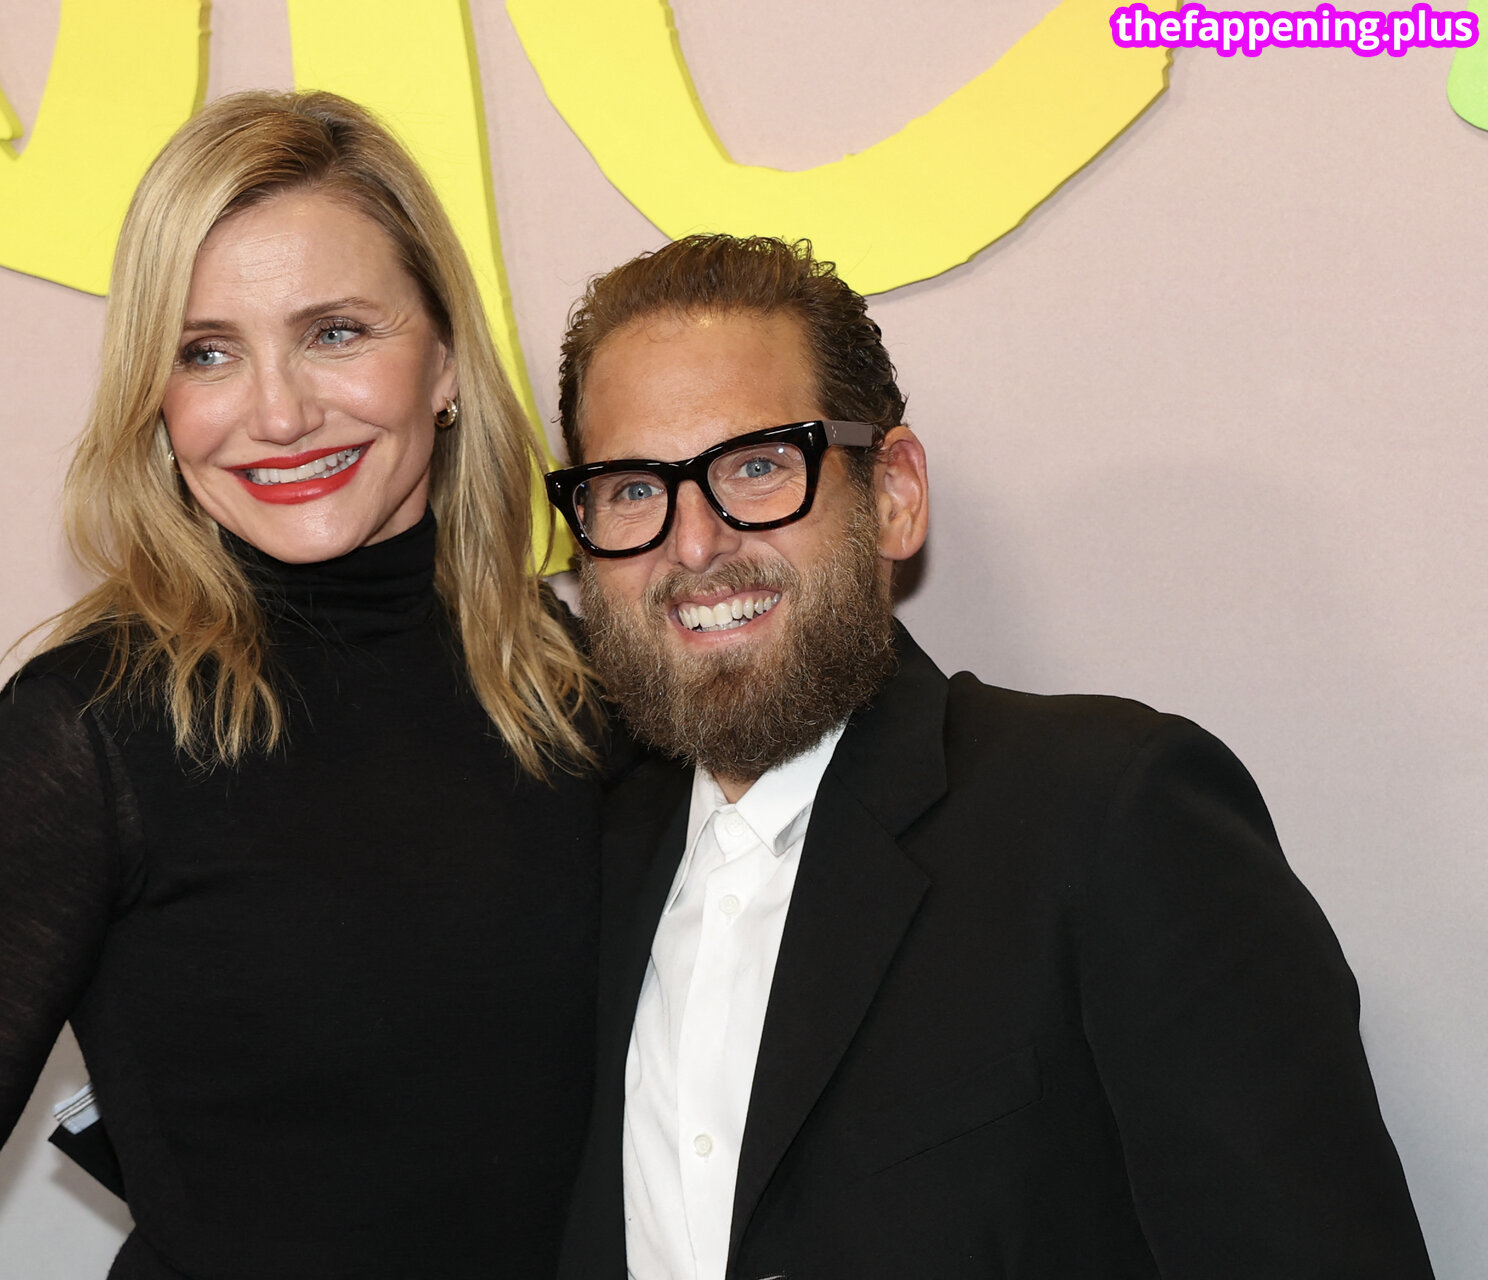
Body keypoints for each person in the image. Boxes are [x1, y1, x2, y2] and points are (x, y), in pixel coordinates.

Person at [0, 90, 603, 1278]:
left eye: (336, 331)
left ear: (444, 361)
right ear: (158, 400)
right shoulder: (86, 738)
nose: (278, 412)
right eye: (207, 352)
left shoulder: (578, 686)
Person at [543, 234, 1434, 1278]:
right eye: (633, 490)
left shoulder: (1110, 817)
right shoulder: (583, 864)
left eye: (758, 466)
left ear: (894, 493)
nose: (694, 543)